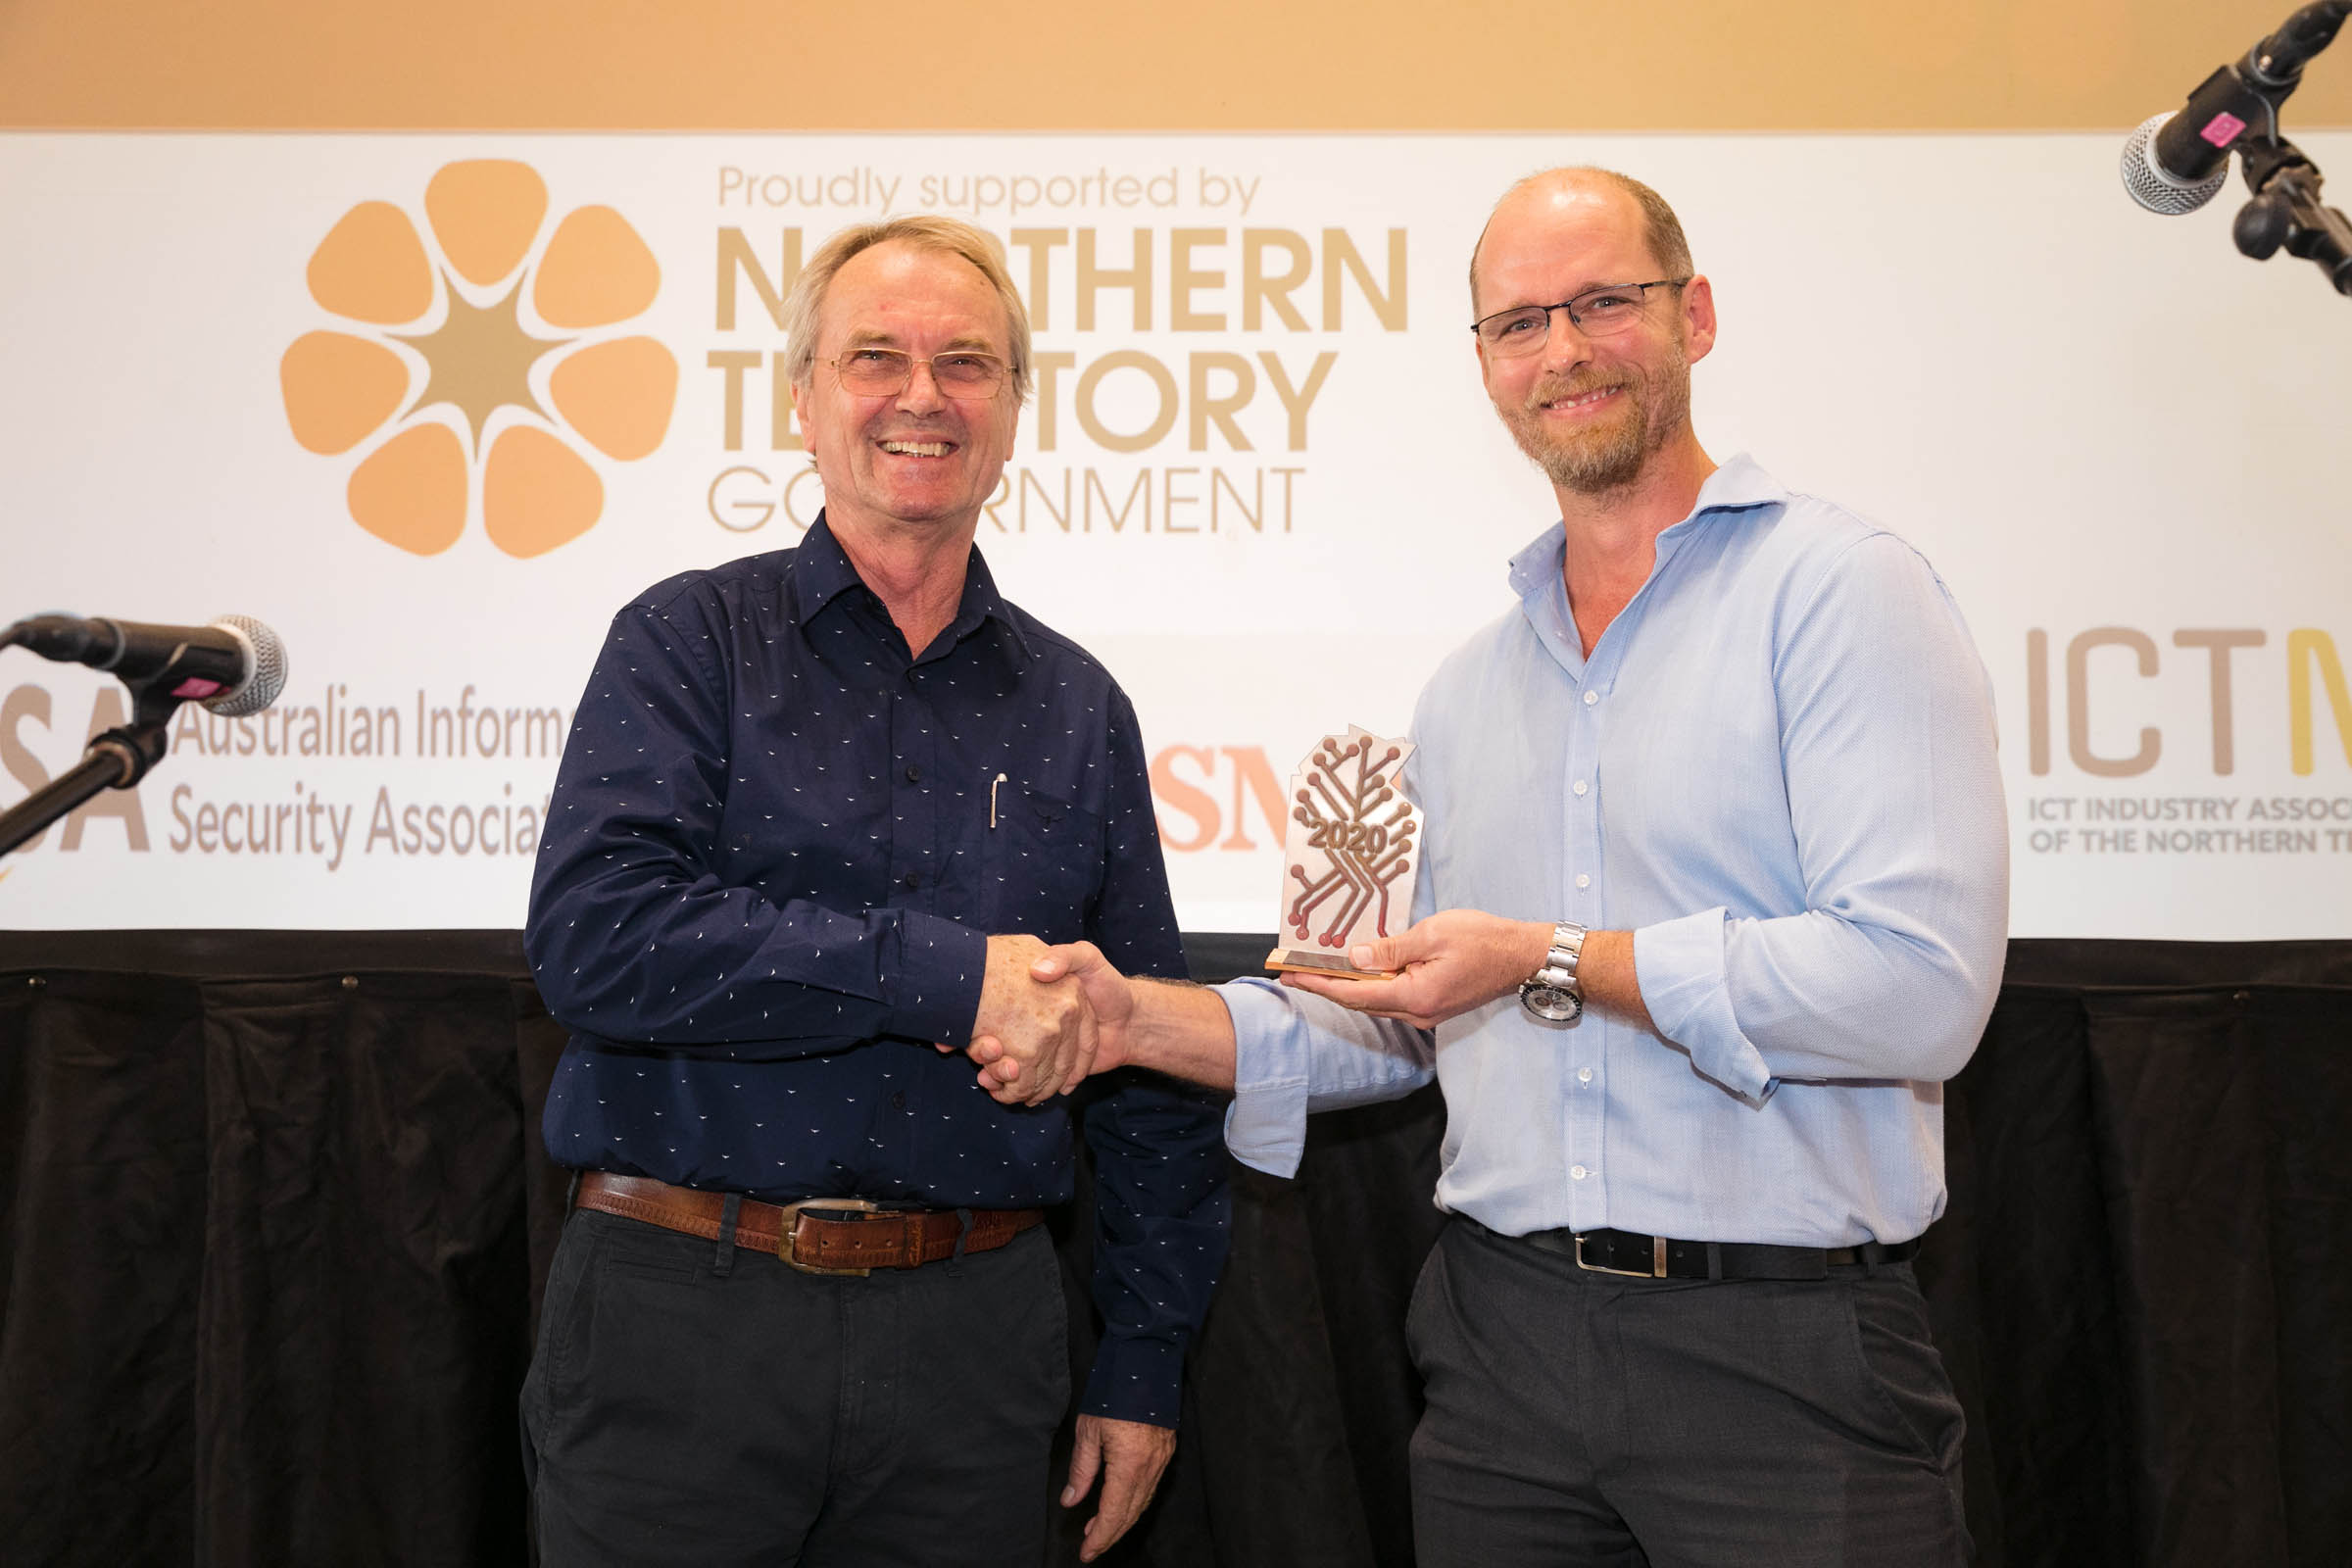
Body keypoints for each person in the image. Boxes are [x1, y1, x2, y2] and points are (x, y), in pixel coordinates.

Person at [973, 168, 2007, 1564]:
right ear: (1484, 366)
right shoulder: (1468, 691)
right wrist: (1126, 1020)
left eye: (1603, 303)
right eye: (1520, 323)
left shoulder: (1843, 592)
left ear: (1695, 316)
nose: (1563, 350)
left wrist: (1549, 957)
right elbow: (1402, 1022)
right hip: (1499, 1361)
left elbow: (1920, 990)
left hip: (1785, 1358)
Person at [521, 214, 1228, 1568]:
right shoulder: (686, 641)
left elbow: (1147, 1053)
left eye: (966, 362)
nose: (923, 395)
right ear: (802, 400)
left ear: (1013, 409)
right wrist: (953, 980)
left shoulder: (1079, 706)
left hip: (974, 1348)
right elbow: (598, 940)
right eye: (875, 358)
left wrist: (1144, 1357)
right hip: (681, 1322)